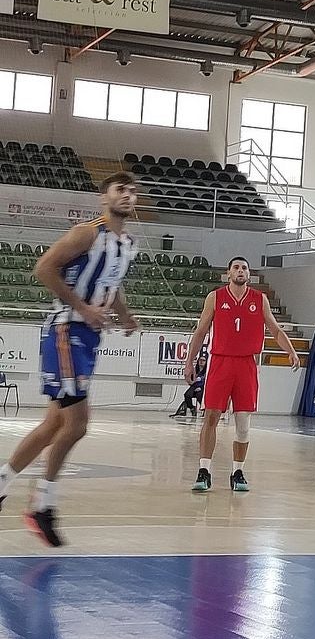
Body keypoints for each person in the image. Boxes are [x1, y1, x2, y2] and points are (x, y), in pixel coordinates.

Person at [0, 173, 139, 547]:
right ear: (103, 198)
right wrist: (82, 307)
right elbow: (44, 268)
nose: (127, 196)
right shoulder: (86, 233)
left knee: (52, 426)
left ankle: (2, 485)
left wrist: (123, 314)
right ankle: (42, 503)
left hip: (87, 335)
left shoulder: (126, 243)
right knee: (78, 424)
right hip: (65, 330)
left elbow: (112, 281)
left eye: (131, 191)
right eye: (119, 190)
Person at [183, 257, 301, 493]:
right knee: (211, 416)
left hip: (246, 364)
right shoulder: (215, 297)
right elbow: (201, 331)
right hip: (220, 361)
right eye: (236, 267)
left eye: (244, 268)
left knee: (243, 423)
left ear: (249, 274)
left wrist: (291, 351)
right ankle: (204, 470)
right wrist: (190, 361)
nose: (240, 271)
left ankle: (238, 472)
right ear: (228, 273)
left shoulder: (260, 299)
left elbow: (275, 329)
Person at [170, 346, 209, 419]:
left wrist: (201, 387)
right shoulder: (194, 370)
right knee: (187, 395)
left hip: (202, 387)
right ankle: (191, 408)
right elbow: (191, 380)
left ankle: (204, 410)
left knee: (200, 395)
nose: (201, 361)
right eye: (200, 360)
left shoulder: (207, 371)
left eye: (203, 360)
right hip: (194, 386)